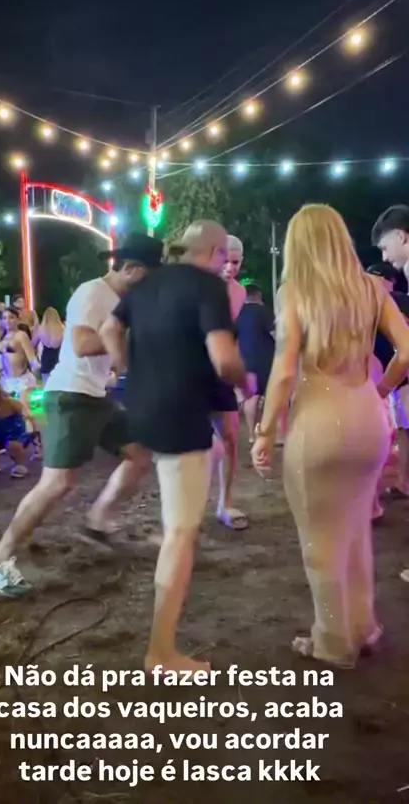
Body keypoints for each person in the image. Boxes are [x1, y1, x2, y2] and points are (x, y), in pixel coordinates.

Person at [252, 204, 409, 668]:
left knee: (320, 541)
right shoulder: (372, 288)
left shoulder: (295, 291)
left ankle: (333, 642)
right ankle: (364, 626)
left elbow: (283, 373)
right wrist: (380, 390)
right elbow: (406, 350)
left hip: (319, 422)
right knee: (356, 530)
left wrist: (264, 432)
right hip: (368, 417)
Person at [0, 233, 162, 597]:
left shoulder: (121, 301)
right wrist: (128, 337)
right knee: (57, 483)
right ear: (131, 269)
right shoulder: (93, 294)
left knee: (140, 454)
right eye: (150, 276)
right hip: (70, 396)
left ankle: (98, 521)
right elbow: (79, 344)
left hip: (95, 396)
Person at [101, 220, 247, 675]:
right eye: (225, 257)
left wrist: (127, 367)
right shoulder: (208, 287)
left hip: (141, 411)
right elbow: (223, 358)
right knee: (182, 533)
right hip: (181, 417)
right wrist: (246, 380)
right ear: (217, 252)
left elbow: (108, 329)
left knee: (199, 471)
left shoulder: (146, 283)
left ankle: (161, 643)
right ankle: (161, 652)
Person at [212, 234, 249, 530]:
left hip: (221, 370)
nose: (230, 267)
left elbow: (231, 336)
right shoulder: (198, 285)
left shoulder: (239, 292)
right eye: (225, 260)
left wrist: (238, 376)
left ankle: (224, 502)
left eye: (235, 262)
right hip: (191, 371)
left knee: (231, 437)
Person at [367, 264, 409, 501]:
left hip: (390, 380)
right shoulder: (374, 304)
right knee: (400, 430)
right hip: (392, 379)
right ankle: (400, 480)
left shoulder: (394, 302)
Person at [236, 283, 276, 441]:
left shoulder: (238, 313)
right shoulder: (264, 312)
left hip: (244, 360)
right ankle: (270, 433)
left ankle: (252, 435)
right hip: (264, 360)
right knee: (270, 396)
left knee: (251, 397)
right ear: (258, 295)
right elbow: (275, 334)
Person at [0, 307, 39, 406]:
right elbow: (0, 360)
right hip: (6, 381)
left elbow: (31, 357)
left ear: (18, 319)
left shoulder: (21, 335)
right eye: (5, 318)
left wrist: (36, 365)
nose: (7, 320)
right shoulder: (2, 337)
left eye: (11, 317)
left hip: (22, 380)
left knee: (24, 409)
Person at [32, 307, 64, 383]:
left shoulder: (41, 330)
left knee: (46, 387)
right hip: (59, 360)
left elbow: (32, 344)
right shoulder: (63, 329)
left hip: (46, 361)